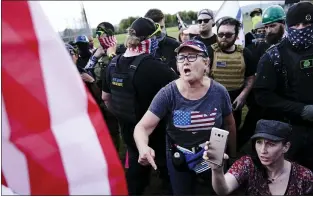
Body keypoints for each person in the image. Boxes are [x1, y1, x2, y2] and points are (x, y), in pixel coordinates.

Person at [133, 39, 236, 195]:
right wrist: (143, 147)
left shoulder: (219, 92)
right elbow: (142, 127)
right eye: (181, 58)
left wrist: (233, 156)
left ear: (206, 63)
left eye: (192, 56)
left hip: (212, 152)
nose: (185, 62)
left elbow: (230, 125)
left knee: (215, 192)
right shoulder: (168, 93)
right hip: (179, 153)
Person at [102, 17, 178, 195]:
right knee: (167, 168)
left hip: (127, 129)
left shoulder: (112, 65)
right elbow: (179, 92)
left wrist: (122, 115)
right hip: (157, 132)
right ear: (149, 40)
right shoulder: (157, 67)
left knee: (136, 167)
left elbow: (106, 98)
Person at [254, 1, 313, 171]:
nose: (302, 29)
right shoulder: (273, 56)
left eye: (308, 24)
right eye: (296, 24)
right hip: (290, 130)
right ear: (288, 25)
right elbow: (263, 96)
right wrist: (301, 109)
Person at [203, 119, 313, 195]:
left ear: (286, 147)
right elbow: (223, 190)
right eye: (259, 142)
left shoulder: (304, 176)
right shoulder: (247, 164)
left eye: (271, 144)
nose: (262, 150)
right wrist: (217, 170)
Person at [207, 17, 257, 133]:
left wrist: (243, 96)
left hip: (235, 101)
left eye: (228, 35)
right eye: (221, 34)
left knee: (233, 130)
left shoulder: (245, 53)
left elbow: (250, 77)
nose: (224, 37)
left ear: (236, 35)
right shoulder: (209, 52)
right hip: (214, 101)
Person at [84, 21, 121, 151]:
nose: (99, 37)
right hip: (100, 98)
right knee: (108, 133)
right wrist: (94, 57)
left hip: (117, 98)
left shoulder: (121, 50)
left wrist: (112, 54)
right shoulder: (95, 52)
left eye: (102, 34)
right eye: (97, 33)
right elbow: (86, 72)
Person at [145, 9, 180, 73]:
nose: (159, 31)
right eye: (156, 28)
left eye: (161, 27)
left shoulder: (174, 45)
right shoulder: (142, 49)